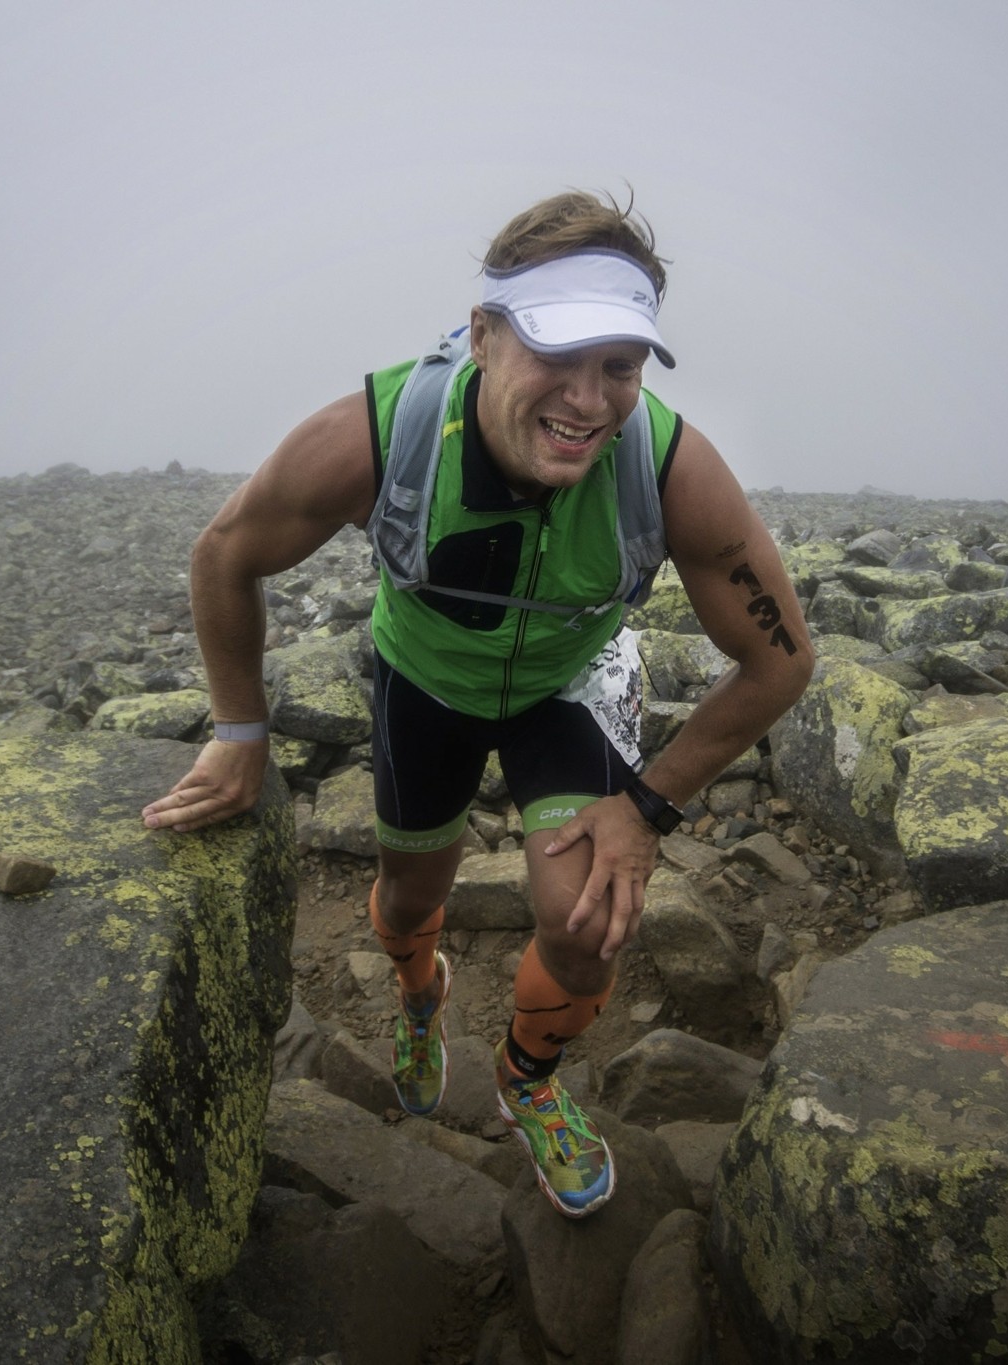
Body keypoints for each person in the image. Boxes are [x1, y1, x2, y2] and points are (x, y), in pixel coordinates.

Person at [142, 190, 813, 1219]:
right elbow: (226, 552)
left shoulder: (670, 470)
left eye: (620, 368)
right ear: (483, 337)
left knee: (588, 924)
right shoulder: (382, 434)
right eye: (559, 355)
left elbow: (780, 663)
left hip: (569, 687)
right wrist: (239, 735)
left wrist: (644, 806)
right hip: (426, 684)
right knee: (410, 903)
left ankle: (527, 1078)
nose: (589, 402)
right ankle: (420, 993)